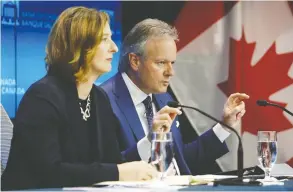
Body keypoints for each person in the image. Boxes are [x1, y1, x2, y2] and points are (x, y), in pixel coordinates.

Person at [0, 8, 179, 191]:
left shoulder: (98, 98)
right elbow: (49, 173)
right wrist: (118, 172)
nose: (114, 48)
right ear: (79, 46)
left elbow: (112, 162)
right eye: (104, 39)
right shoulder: (42, 97)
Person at [101, 18, 249, 175]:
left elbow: (179, 160)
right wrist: (151, 141)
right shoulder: (103, 100)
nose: (170, 72)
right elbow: (108, 169)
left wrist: (224, 126)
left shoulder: (162, 98)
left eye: (172, 63)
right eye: (161, 63)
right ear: (135, 61)